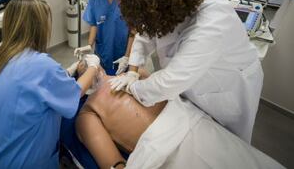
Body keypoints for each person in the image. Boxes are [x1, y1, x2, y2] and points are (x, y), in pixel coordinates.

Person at [109, 0, 263, 143]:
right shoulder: (164, 2)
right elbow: (145, 35)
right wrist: (133, 71)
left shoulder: (212, 22)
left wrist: (131, 88)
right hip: (187, 87)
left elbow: (171, 81)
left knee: (226, 143)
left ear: (164, 14)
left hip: (226, 85)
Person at [0, 0, 101, 169]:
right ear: (39, 27)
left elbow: (30, 85)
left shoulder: (1, 59)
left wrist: (68, 71)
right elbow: (75, 92)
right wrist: (93, 66)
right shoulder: (41, 65)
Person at [75, 67, 282, 169]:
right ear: (81, 85)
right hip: (169, 150)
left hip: (195, 124)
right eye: (82, 67)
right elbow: (114, 164)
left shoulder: (133, 73)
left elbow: (170, 88)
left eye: (90, 61)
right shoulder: (88, 111)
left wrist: (135, 71)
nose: (88, 64)